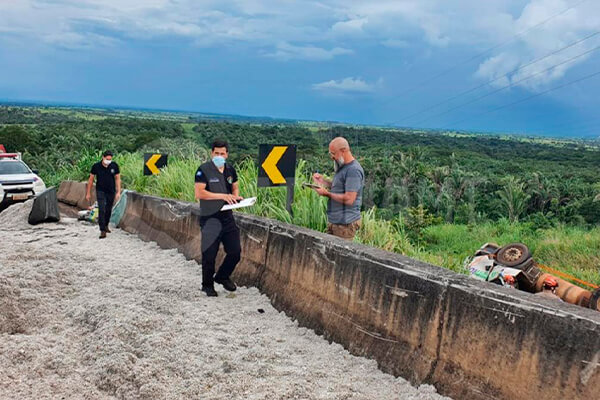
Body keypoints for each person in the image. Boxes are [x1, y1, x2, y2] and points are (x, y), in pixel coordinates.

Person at [195, 139, 243, 297]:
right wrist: (223, 196)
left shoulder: (230, 169)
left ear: (227, 154)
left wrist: (235, 197)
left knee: (235, 252)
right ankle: (207, 285)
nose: (219, 156)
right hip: (210, 218)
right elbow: (200, 193)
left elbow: (234, 186)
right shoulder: (203, 170)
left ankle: (222, 276)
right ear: (211, 153)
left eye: (222, 153)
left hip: (227, 218)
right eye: (216, 153)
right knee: (209, 254)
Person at [312, 137, 364, 240]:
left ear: (343, 151)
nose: (332, 157)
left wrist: (327, 194)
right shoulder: (343, 167)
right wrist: (323, 181)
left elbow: (349, 199)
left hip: (345, 224)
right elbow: (339, 188)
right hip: (336, 222)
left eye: (333, 153)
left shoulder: (353, 170)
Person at [86, 150, 121, 239]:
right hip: (100, 190)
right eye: (107, 159)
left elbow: (117, 179)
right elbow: (90, 180)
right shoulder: (96, 166)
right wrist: (88, 193)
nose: (108, 161)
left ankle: (106, 225)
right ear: (103, 157)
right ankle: (102, 230)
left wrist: (118, 191)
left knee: (108, 209)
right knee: (102, 209)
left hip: (111, 191)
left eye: (110, 159)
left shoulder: (114, 166)